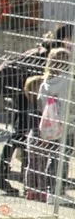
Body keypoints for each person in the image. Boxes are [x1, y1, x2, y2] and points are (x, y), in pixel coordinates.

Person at [0, 24, 73, 194]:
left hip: (24, 88)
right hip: (21, 88)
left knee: (24, 132)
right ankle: (3, 174)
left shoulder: (51, 50)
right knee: (21, 132)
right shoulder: (52, 54)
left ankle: (17, 176)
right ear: (66, 39)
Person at [24, 48, 73, 201]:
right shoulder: (69, 81)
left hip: (51, 127)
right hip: (68, 125)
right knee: (63, 159)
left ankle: (51, 191)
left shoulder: (45, 83)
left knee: (53, 157)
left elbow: (40, 105)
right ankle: (58, 191)